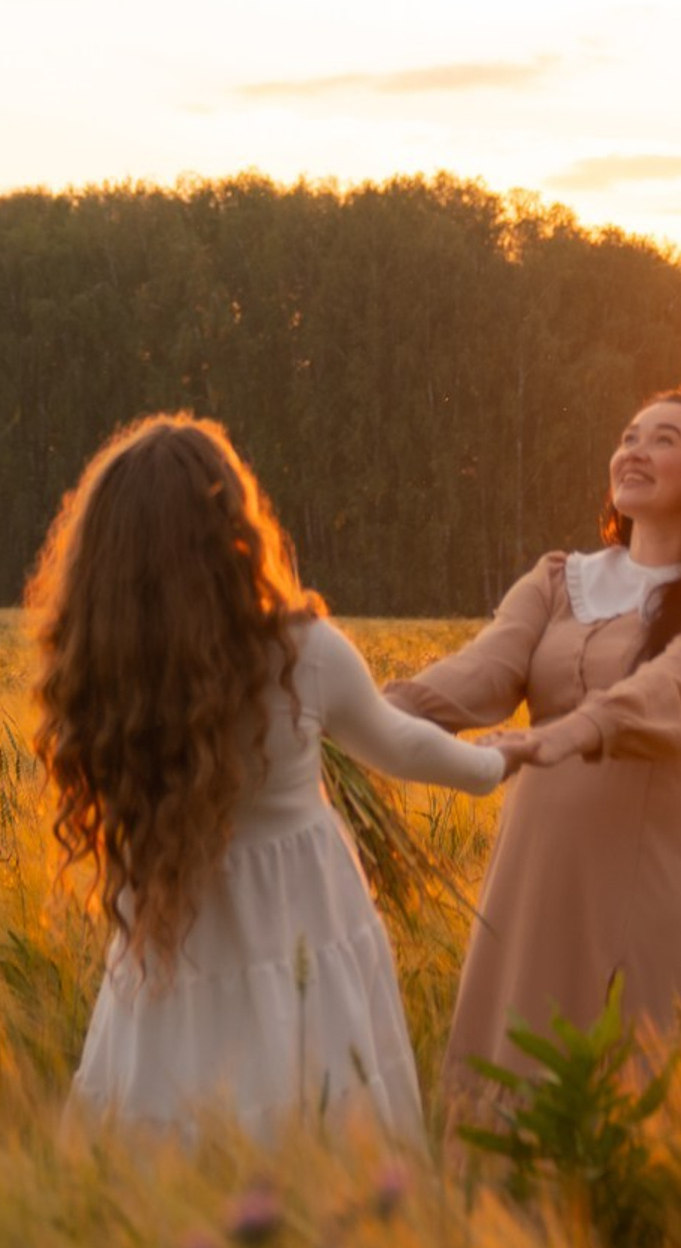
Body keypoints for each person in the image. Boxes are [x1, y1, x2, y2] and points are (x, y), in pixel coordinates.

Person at [29, 410, 507, 1141]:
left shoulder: (102, 665)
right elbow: (400, 746)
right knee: (319, 1089)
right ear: (232, 527)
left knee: (170, 1094)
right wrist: (495, 761)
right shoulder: (301, 650)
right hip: (302, 903)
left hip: (173, 904)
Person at [388, 389, 681, 1117]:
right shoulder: (558, 580)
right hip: (533, 866)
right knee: (506, 1063)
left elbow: (667, 694)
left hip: (643, 872)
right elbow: (482, 674)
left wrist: (557, 736)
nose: (634, 450)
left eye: (663, 440)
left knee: (611, 1078)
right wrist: (362, 713)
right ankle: (491, 1227)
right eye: (628, 436)